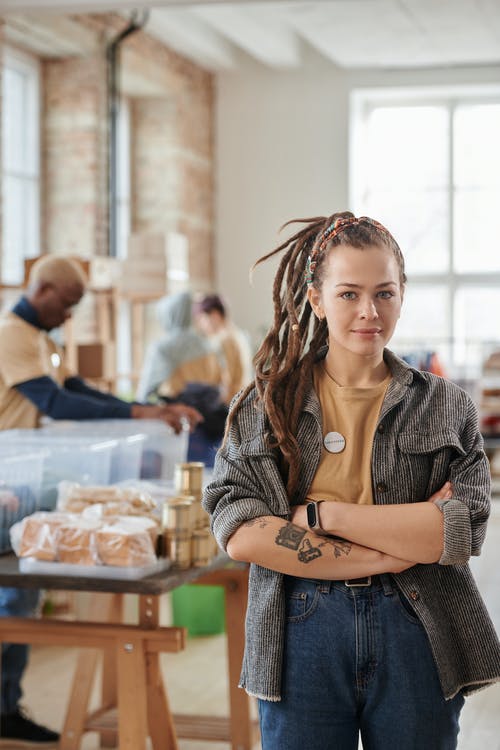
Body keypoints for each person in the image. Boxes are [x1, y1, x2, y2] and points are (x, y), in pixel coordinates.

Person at [203, 212, 500, 750]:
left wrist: (323, 515)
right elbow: (242, 530)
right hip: (301, 625)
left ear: (403, 293)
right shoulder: (269, 404)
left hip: (417, 624)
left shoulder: (445, 405)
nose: (369, 312)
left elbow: (458, 533)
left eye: (385, 293)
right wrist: (394, 547)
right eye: (348, 294)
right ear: (317, 300)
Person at [0, 255, 202, 745]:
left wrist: (147, 411)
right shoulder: (11, 334)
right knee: (10, 595)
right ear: (42, 289)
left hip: (21, 476)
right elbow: (56, 404)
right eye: (67, 304)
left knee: (22, 595)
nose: (69, 316)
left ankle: (5, 708)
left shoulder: (43, 341)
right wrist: (141, 410)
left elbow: (77, 390)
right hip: (3, 476)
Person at [193, 293, 253, 402]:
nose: (201, 325)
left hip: (231, 404)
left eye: (202, 319)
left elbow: (227, 380)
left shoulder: (225, 340)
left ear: (215, 316)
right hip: (242, 399)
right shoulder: (237, 334)